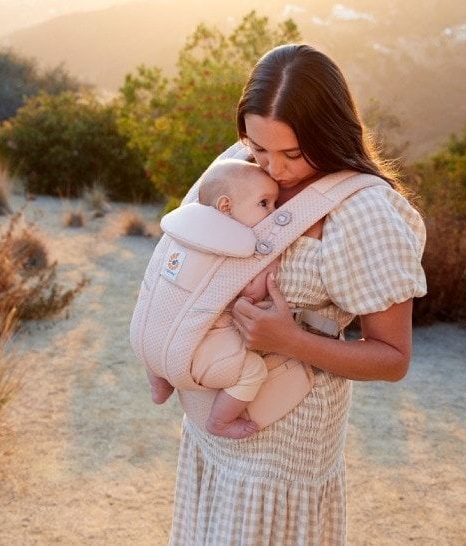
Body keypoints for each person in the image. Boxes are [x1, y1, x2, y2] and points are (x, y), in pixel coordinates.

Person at [168, 44, 427, 545]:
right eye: (259, 146)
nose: (274, 169)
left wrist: (288, 340)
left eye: (291, 153)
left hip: (285, 443)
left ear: (330, 133)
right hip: (212, 421)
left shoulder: (364, 211)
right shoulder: (238, 165)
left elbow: (393, 359)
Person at [146, 158, 285, 440]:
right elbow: (251, 293)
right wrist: (273, 264)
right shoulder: (237, 247)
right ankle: (220, 421)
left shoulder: (182, 229)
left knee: (156, 334)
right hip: (192, 350)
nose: (273, 212)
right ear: (225, 207)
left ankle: (159, 385)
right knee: (253, 371)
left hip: (145, 338)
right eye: (264, 203)